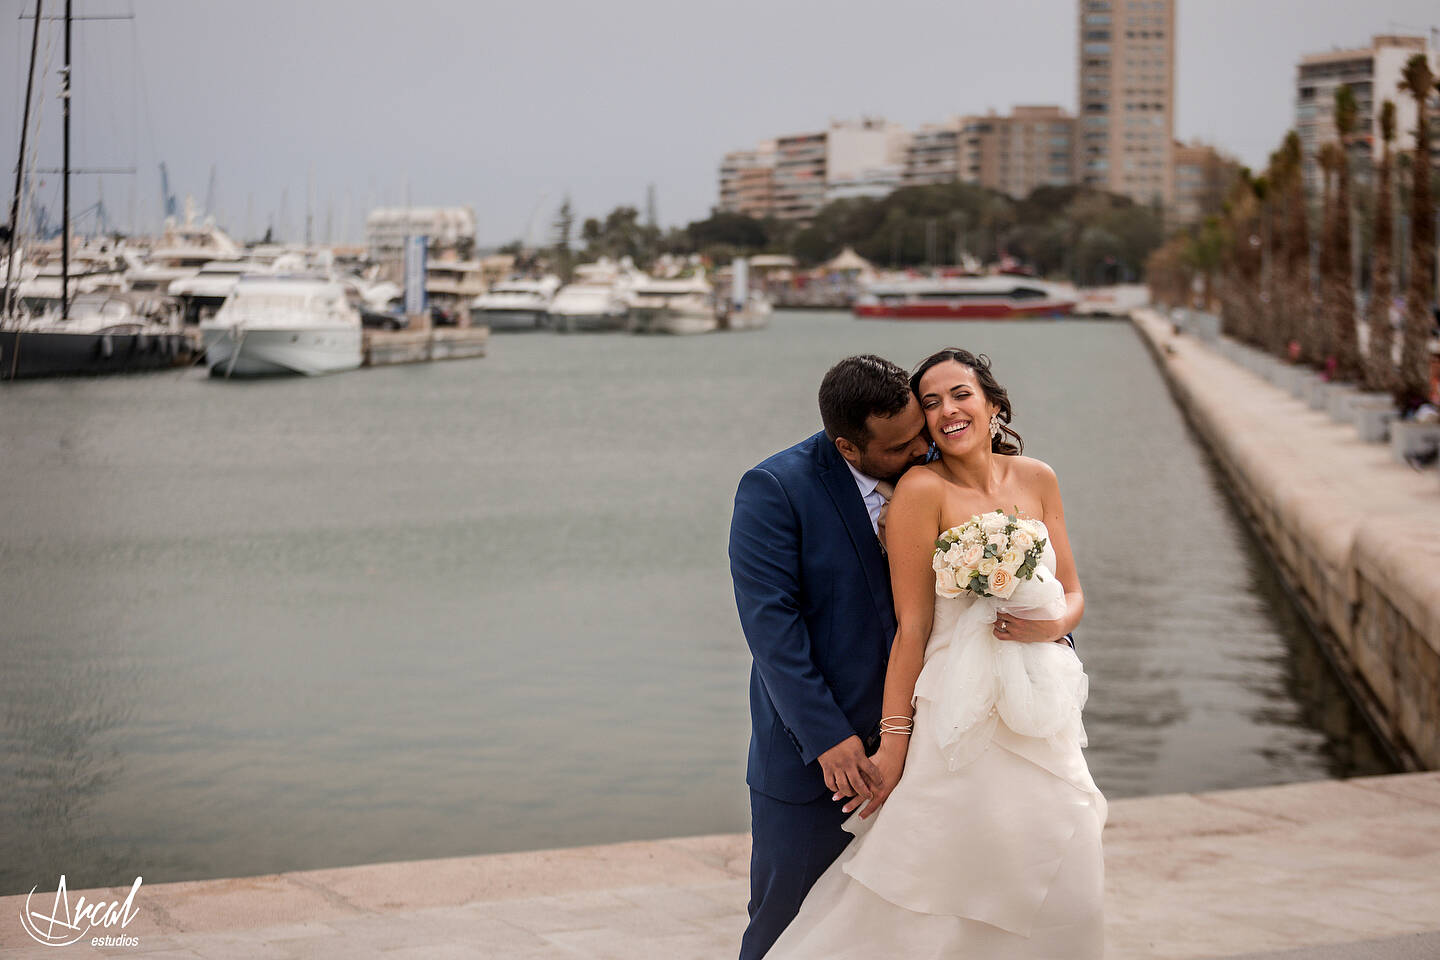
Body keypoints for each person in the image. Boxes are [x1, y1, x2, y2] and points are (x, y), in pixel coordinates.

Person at [762, 347, 1106, 959]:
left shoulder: (1038, 477)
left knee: (1055, 859)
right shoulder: (920, 490)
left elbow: (1074, 591)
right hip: (956, 704)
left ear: (993, 403)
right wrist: (894, 741)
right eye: (930, 401)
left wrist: (1051, 624)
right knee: (935, 877)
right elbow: (912, 628)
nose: (946, 409)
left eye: (960, 394)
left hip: (1041, 703)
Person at [728, 355, 931, 960]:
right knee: (786, 925)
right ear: (847, 444)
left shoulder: (939, 474)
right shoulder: (775, 488)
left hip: (925, 752)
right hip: (817, 765)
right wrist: (827, 739)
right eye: (900, 446)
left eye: (920, 430)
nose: (921, 449)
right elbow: (772, 630)